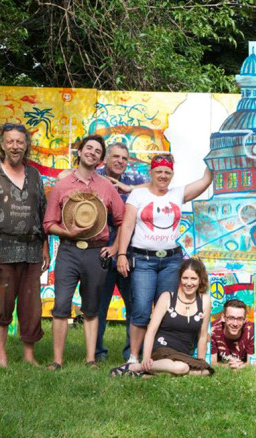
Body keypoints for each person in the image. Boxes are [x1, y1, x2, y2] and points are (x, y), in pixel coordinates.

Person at [116, 153, 212, 364]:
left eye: (167, 172)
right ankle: (133, 357)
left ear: (172, 175)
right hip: (143, 260)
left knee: (166, 310)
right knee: (141, 309)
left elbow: (205, 180)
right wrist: (122, 254)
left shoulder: (177, 194)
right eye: (159, 171)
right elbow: (128, 225)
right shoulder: (138, 195)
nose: (163, 176)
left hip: (171, 261)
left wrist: (215, 155)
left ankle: (157, 353)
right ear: (151, 172)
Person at [0, 123, 50, 367]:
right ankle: (1, 356)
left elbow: (43, 213)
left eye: (20, 141)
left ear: (26, 145)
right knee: (2, 303)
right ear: (2, 145)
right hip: (1, 250)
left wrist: (45, 247)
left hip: (32, 251)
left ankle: (28, 356)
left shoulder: (35, 175)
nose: (15, 146)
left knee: (32, 306)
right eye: (10, 141)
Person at [43, 134, 125, 370]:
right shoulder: (62, 185)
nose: (92, 152)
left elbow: (121, 219)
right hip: (68, 251)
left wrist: (115, 247)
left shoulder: (106, 186)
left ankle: (91, 360)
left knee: (91, 307)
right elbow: (49, 223)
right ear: (79, 152)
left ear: (101, 159)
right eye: (88, 148)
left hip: (96, 253)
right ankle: (57, 361)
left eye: (97, 151)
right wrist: (68, 233)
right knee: (60, 305)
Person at [109, 258, 213, 377]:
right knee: (181, 367)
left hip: (182, 354)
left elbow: (203, 335)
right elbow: (151, 330)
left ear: (200, 280)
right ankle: (136, 367)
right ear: (180, 278)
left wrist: (200, 361)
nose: (189, 283)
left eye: (193, 278)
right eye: (185, 278)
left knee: (204, 371)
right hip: (162, 350)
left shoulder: (204, 301)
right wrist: (146, 358)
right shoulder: (167, 297)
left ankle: (145, 375)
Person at [94, 142, 148, 362]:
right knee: (98, 306)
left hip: (129, 254)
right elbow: (65, 176)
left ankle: (133, 353)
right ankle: (96, 353)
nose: (119, 162)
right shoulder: (94, 177)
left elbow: (155, 184)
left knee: (136, 305)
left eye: (124, 159)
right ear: (105, 159)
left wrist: (128, 189)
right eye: (115, 157)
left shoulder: (133, 179)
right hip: (101, 253)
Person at [210, 299, 254, 369]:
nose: (235, 324)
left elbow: (251, 363)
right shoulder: (212, 330)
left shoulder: (251, 331)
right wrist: (228, 366)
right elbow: (212, 363)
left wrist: (242, 366)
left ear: (245, 320)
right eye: (231, 318)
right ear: (223, 318)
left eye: (240, 318)